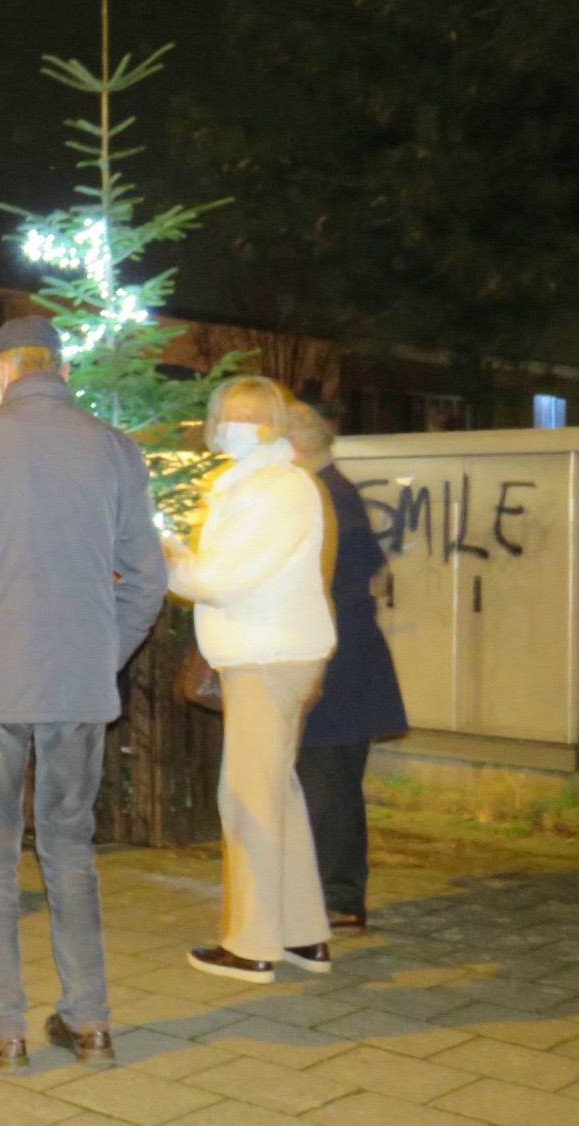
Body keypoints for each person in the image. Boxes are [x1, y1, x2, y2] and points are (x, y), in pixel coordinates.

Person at [0, 315, 167, 1071]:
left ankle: (3, 1029)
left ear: (1, 371)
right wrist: (103, 651)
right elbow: (149, 579)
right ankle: (89, 1022)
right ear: (59, 369)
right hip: (77, 683)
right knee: (71, 850)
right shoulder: (114, 447)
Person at [167, 376, 337, 984]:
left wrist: (168, 556)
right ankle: (301, 935)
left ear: (273, 424)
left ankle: (252, 945)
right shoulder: (269, 483)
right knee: (274, 795)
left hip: (266, 658)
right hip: (274, 655)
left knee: (248, 800)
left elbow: (221, 578)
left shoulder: (271, 488)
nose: (235, 425)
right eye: (229, 414)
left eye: (249, 416)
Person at [287, 402, 407, 936]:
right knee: (328, 780)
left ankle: (338, 899)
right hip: (340, 660)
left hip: (337, 665)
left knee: (328, 783)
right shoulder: (328, 490)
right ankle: (333, 894)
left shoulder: (324, 495)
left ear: (294, 443)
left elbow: (343, 575)